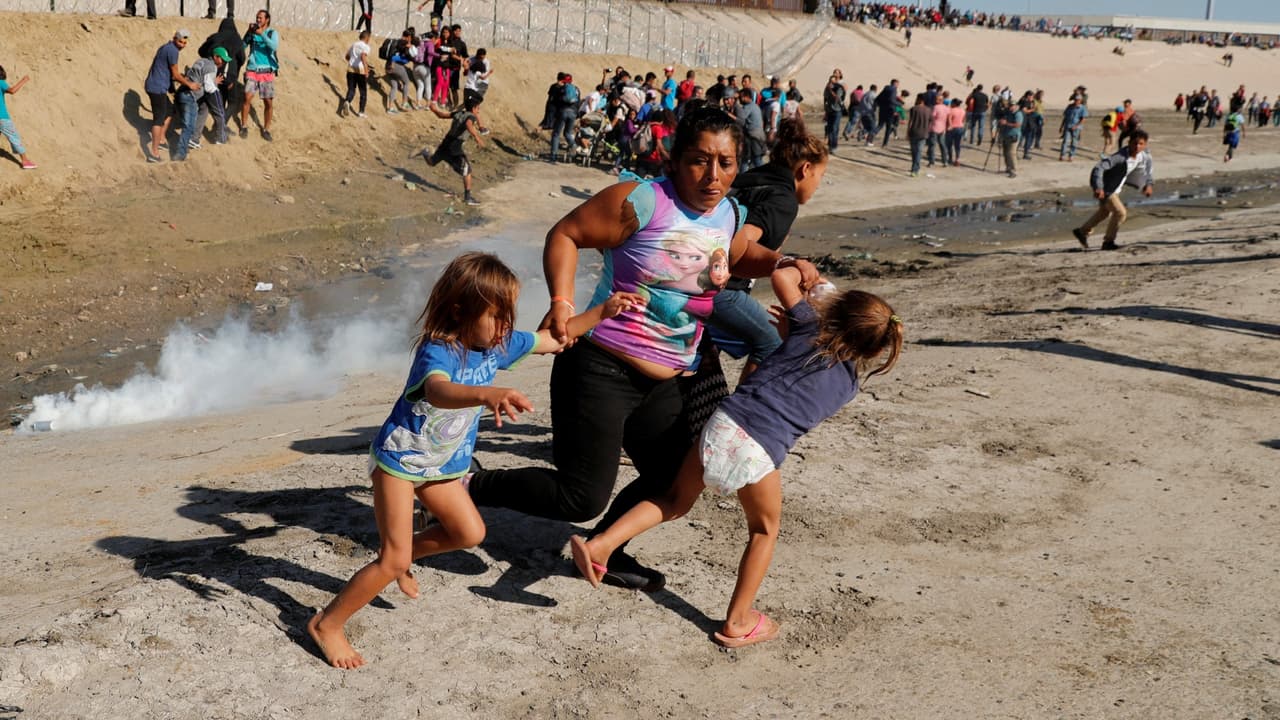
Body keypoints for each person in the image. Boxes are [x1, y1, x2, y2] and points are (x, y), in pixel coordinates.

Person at [465, 107, 821, 592]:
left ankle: (607, 549)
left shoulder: (728, 212)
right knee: (578, 498)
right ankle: (470, 486)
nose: (713, 175)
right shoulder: (642, 201)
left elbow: (736, 256)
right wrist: (562, 303)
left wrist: (783, 260)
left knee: (675, 480)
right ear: (674, 159)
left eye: (726, 162)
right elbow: (566, 234)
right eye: (699, 160)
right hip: (599, 366)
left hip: (670, 376)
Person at [306, 252, 643, 669]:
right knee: (392, 558)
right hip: (400, 463)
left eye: (509, 316)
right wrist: (487, 394)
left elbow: (555, 338)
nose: (505, 328)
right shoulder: (440, 351)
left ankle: (403, 557)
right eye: (496, 316)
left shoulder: (496, 345)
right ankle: (328, 623)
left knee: (468, 532)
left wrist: (603, 312)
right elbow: (437, 392)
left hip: (442, 466)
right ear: (459, 311)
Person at [569, 269, 903, 648]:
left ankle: (601, 546)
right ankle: (738, 621)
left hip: (722, 423)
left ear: (834, 311)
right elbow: (802, 381)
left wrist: (811, 279)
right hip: (759, 449)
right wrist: (802, 326)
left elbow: (782, 277)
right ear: (876, 351)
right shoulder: (848, 386)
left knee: (674, 501)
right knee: (763, 531)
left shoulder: (808, 326)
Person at [706, 119, 829, 379]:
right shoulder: (783, 200)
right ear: (806, 169)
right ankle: (743, 413)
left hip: (691, 272)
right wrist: (785, 262)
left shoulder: (750, 178)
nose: (818, 185)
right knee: (773, 342)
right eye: (820, 176)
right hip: (719, 287)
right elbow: (740, 240)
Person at [1071, 130, 1154, 251]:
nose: (1137, 146)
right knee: (1121, 213)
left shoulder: (1144, 156)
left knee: (1104, 212)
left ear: (1145, 145)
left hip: (1115, 189)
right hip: (1106, 189)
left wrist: (1148, 184)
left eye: (1141, 144)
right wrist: (1098, 187)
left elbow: (1148, 170)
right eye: (1135, 143)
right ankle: (1108, 242)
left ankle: (1082, 232)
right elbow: (1098, 168)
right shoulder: (1119, 157)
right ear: (1129, 142)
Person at [420, 93, 486, 206]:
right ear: (474, 108)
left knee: (432, 162)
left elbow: (441, 115)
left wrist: (434, 109)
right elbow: (469, 125)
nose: (478, 111)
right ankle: (468, 197)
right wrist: (477, 138)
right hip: (455, 147)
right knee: (467, 170)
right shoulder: (471, 116)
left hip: (446, 142)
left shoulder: (459, 113)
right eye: (478, 108)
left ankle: (425, 153)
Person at [144, 29, 199, 162]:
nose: (182, 45)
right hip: (156, 88)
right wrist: (189, 84)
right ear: (175, 38)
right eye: (180, 42)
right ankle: (154, 153)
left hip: (158, 86)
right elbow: (175, 74)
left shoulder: (167, 48)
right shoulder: (173, 51)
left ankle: (161, 139)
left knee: (170, 111)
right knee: (158, 119)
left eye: (185, 43)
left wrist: (173, 85)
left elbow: (167, 71)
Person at [239, 9, 279, 142]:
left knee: (268, 102)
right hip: (252, 70)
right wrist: (248, 33)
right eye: (257, 17)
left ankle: (266, 129)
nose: (258, 20)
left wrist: (262, 34)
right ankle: (244, 126)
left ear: (267, 19)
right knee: (247, 97)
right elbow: (242, 46)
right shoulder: (253, 33)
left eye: (260, 18)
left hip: (266, 72)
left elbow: (273, 46)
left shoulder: (272, 33)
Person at [0, 65, 36, 170]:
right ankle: (25, 161)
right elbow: (12, 90)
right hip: (2, 117)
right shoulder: (0, 82)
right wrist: (23, 80)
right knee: (14, 137)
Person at [384, 30, 417, 114]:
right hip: (395, 65)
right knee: (406, 82)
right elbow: (395, 56)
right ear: (409, 37)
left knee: (394, 86)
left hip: (387, 66)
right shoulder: (403, 43)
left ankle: (390, 108)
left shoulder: (397, 42)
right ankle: (404, 103)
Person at [340, 31, 371, 118]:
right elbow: (363, 56)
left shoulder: (354, 45)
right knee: (363, 92)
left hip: (350, 69)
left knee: (351, 89)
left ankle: (348, 101)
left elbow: (347, 56)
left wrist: (352, 61)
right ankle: (361, 112)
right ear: (367, 38)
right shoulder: (366, 47)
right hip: (360, 70)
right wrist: (366, 69)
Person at [549, 73, 579, 162]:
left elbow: (555, 102)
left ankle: (553, 156)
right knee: (567, 133)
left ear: (564, 80)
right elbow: (578, 102)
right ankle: (573, 144)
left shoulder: (561, 89)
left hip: (563, 112)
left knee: (556, 134)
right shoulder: (576, 89)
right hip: (573, 113)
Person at [735, 87, 766, 170]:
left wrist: (729, 114)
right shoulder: (755, 106)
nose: (739, 99)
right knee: (748, 160)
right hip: (759, 136)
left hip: (753, 137)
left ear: (747, 97)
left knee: (755, 160)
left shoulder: (748, 107)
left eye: (740, 97)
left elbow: (740, 119)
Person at [998, 98, 1023, 178]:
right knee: (1006, 153)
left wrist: (1006, 123)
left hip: (1014, 136)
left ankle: (1014, 170)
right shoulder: (1008, 112)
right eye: (1010, 105)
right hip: (1006, 135)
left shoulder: (1018, 114)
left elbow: (1018, 124)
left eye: (1012, 106)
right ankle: (1008, 167)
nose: (1011, 107)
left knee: (1012, 153)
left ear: (1016, 106)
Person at [1058, 94, 1087, 162]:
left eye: (1078, 100)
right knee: (1065, 141)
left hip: (1076, 128)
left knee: (1074, 142)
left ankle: (1071, 156)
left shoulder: (1082, 108)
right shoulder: (1069, 106)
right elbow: (1065, 117)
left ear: (1080, 101)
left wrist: (1076, 126)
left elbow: (1083, 119)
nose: (1076, 101)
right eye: (1076, 100)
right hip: (1068, 126)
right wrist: (1061, 126)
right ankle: (1062, 155)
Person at [907, 93, 930, 176]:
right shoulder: (928, 110)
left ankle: (914, 168)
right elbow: (930, 122)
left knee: (914, 151)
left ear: (920, 99)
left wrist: (907, 133)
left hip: (914, 132)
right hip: (923, 133)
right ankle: (915, 168)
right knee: (918, 152)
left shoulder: (914, 109)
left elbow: (911, 122)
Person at [821, 74, 845, 150]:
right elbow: (825, 98)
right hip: (829, 110)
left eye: (833, 81)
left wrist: (831, 90)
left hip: (837, 110)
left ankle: (834, 145)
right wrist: (825, 109)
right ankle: (831, 145)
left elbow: (837, 98)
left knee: (835, 128)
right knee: (830, 128)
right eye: (830, 81)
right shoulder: (827, 89)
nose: (831, 83)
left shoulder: (839, 88)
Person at [927, 90, 949, 167]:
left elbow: (932, 117)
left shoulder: (935, 107)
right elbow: (948, 118)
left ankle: (932, 161)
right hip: (942, 128)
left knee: (933, 145)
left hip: (934, 128)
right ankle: (945, 161)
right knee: (942, 145)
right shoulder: (946, 108)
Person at [944, 97, 965, 166]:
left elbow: (949, 120)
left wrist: (948, 126)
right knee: (957, 145)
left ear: (954, 103)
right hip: (960, 127)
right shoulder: (963, 111)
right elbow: (963, 120)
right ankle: (957, 158)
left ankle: (950, 158)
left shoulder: (951, 110)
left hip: (952, 128)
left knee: (949, 144)